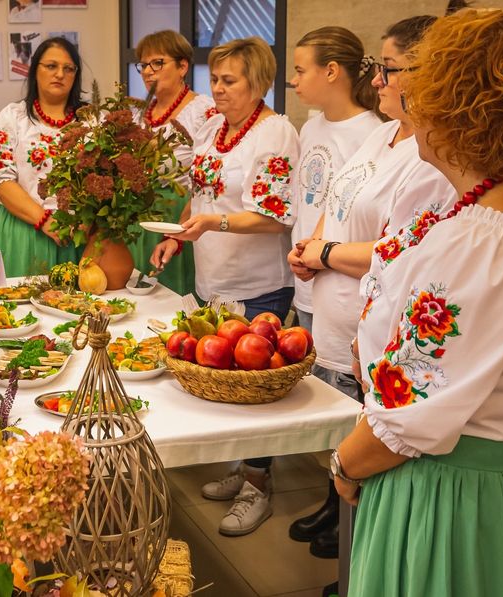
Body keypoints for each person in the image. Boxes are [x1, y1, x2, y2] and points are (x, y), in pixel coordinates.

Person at [337, 9, 503, 595]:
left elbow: (409, 412)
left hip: (453, 492)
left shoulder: (482, 239)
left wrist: (345, 461)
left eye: (417, 91)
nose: (403, 107)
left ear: (457, 110)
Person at [151, 36, 299, 537]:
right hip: (213, 279)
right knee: (224, 380)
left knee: (254, 388)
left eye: (229, 80)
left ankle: (259, 484)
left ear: (257, 83)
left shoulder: (276, 133)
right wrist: (178, 235)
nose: (217, 89)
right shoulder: (214, 127)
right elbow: (200, 196)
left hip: (259, 283)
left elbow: (275, 217)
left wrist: (212, 225)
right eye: (213, 79)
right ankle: (241, 469)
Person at [278, 25, 386, 560]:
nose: (292, 80)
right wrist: (306, 250)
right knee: (325, 392)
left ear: (331, 72)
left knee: (348, 399)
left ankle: (342, 504)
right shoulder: (313, 124)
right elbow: (320, 200)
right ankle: (328, 500)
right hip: (312, 276)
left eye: (300, 69)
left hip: (345, 280)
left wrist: (323, 253)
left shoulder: (371, 132)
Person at [0, 37, 85, 276]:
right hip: (24, 229)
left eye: (68, 69)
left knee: (77, 307)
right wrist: (45, 220)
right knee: (22, 307)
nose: (60, 74)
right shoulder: (13, 117)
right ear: (35, 69)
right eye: (51, 66)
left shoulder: (90, 120)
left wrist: (85, 225)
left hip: (77, 235)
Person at [129, 30, 216, 296]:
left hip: (180, 216)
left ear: (182, 66)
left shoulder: (204, 111)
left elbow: (208, 178)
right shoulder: (137, 114)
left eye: (157, 63)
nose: (147, 71)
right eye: (143, 65)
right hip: (138, 217)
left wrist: (178, 232)